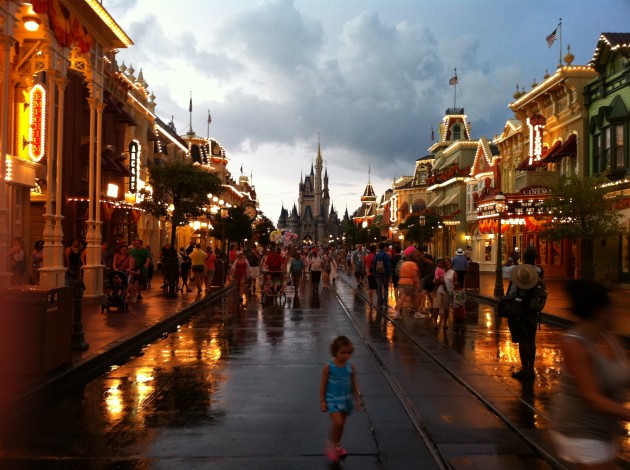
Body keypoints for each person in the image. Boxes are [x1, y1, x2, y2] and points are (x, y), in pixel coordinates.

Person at [550, 280, 630, 468]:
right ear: (599, 311)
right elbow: (592, 397)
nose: (616, 311)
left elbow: (623, 375)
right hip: (579, 431)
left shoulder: (609, 337)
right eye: (612, 307)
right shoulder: (574, 343)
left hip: (604, 431)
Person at [320, 335, 361, 463]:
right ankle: (331, 444)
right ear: (335, 352)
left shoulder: (350, 368)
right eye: (342, 353)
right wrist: (322, 400)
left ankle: (337, 445)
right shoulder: (329, 367)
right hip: (332, 399)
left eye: (348, 353)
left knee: (341, 424)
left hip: (345, 399)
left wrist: (357, 399)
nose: (346, 356)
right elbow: (323, 384)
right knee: (337, 422)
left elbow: (354, 384)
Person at [506, 245, 543, 380]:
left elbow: (511, 289)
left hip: (520, 309)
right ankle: (531, 369)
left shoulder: (519, 270)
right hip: (533, 309)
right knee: (531, 339)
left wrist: (512, 259)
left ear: (524, 256)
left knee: (523, 340)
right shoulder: (539, 270)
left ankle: (525, 369)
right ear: (535, 257)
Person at [391, 255, 420, 319]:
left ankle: (397, 313)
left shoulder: (403, 263)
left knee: (401, 298)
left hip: (401, 281)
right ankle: (417, 313)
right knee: (414, 298)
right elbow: (414, 275)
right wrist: (417, 283)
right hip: (409, 282)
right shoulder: (413, 264)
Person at [372, 242, 392, 309]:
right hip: (385, 274)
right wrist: (390, 275)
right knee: (386, 288)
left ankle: (379, 302)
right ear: (384, 247)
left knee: (379, 288)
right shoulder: (387, 255)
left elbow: (374, 265)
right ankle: (385, 302)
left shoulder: (376, 255)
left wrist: (374, 273)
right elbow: (388, 266)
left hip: (377, 274)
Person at [431, 258, 450, 329]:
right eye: (446, 263)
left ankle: (445, 322)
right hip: (439, 290)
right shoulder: (438, 270)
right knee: (436, 307)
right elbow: (434, 280)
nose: (447, 264)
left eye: (448, 263)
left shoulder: (450, 272)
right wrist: (440, 281)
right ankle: (435, 322)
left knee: (446, 308)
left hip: (447, 291)